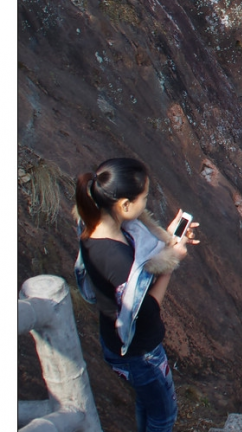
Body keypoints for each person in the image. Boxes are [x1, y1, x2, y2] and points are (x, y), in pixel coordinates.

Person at [73, 158, 199, 432]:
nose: (146, 203)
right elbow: (146, 310)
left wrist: (168, 238)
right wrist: (171, 262)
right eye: (144, 197)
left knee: (147, 402)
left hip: (113, 340)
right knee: (164, 416)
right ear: (125, 205)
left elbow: (139, 262)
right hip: (140, 352)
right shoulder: (116, 259)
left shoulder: (94, 226)